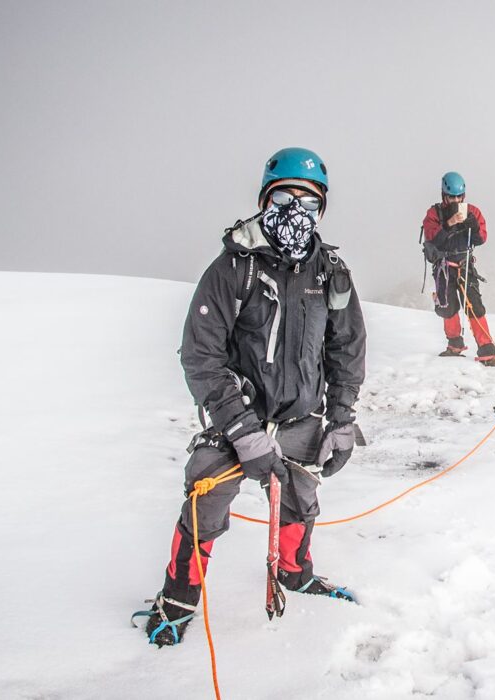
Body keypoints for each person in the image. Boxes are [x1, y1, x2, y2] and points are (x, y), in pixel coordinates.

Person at [137, 147, 367, 647]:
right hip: (236, 418)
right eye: (285, 197)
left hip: (300, 416)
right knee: (205, 495)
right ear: (265, 199)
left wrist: (343, 417)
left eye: (309, 203)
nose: (295, 212)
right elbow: (200, 355)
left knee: (301, 498)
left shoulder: (331, 273)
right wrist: (241, 431)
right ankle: (178, 597)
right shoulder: (232, 268)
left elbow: (346, 349)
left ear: (322, 211)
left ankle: (294, 572)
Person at [421, 171, 495, 367]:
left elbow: (481, 239)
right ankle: (454, 345)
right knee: (448, 307)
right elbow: (433, 238)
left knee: (474, 306)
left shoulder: (473, 212)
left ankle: (487, 350)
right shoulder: (434, 214)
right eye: (451, 196)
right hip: (443, 266)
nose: (455, 200)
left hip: (464, 264)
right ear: (444, 195)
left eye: (458, 196)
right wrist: (449, 224)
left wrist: (473, 227)